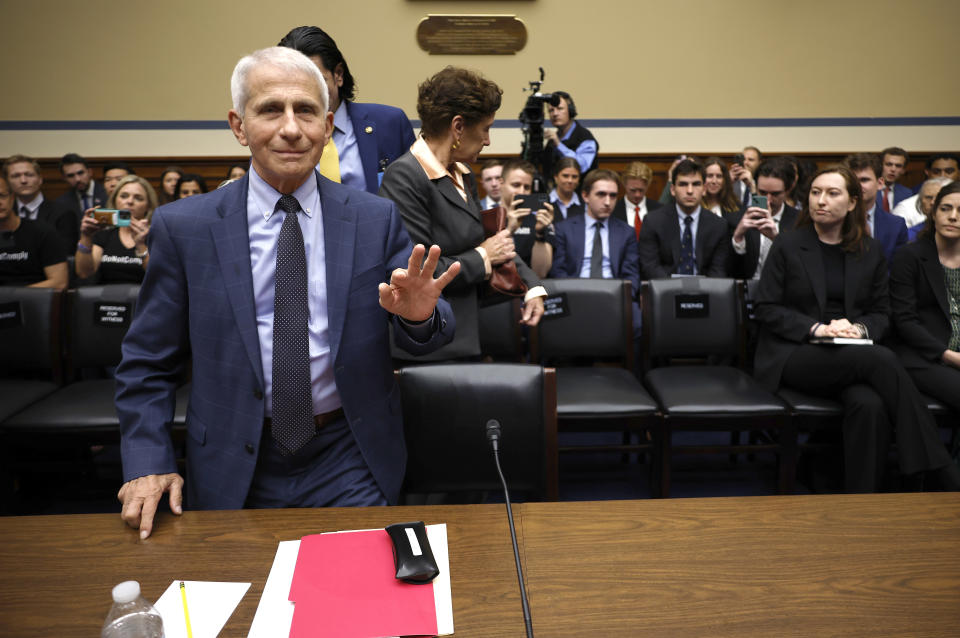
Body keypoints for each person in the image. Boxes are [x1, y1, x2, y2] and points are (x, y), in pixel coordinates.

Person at [114, 46, 458, 539]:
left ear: (328, 124)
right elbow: (147, 360)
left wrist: (418, 316)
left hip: (349, 453)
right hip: (234, 456)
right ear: (238, 125)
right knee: (245, 605)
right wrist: (147, 459)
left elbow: (431, 322)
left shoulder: (372, 218)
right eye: (271, 109)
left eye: (307, 111)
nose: (292, 128)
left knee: (356, 603)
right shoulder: (184, 227)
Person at [753, 165, 959, 493]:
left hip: (851, 352)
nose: (820, 200)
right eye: (815, 192)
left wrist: (860, 328)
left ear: (852, 203)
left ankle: (863, 496)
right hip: (795, 353)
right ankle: (939, 469)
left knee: (870, 404)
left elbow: (882, 312)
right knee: (880, 359)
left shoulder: (869, 250)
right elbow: (766, 308)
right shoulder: (789, 245)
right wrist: (817, 328)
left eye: (832, 193)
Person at [380, 66, 545, 361]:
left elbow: (491, 241)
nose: (488, 140)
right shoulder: (404, 176)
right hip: (429, 343)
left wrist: (532, 286)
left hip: (467, 335)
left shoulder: (463, 173)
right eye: (485, 129)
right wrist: (482, 257)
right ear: (458, 127)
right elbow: (413, 272)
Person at [279, 25, 415, 194]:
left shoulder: (390, 124)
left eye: (316, 82)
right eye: (292, 84)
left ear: (339, 75)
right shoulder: (278, 135)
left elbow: (416, 196)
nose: (304, 93)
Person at [891, 181, 960, 425]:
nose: (953, 217)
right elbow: (904, 321)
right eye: (946, 209)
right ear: (933, 212)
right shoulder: (910, 256)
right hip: (925, 356)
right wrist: (950, 356)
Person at [550, 169, 641, 336]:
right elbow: (558, 272)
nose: (608, 202)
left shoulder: (626, 232)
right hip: (574, 296)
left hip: (614, 297)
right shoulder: (564, 229)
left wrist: (615, 297)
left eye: (613, 196)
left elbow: (632, 275)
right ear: (585, 196)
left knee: (637, 323)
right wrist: (578, 296)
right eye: (601, 194)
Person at [638, 158, 730, 279]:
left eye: (696, 184)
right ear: (672, 189)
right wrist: (672, 290)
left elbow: (718, 269)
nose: (690, 191)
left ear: (704, 189)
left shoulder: (719, 225)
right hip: (664, 291)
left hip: (706, 292)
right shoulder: (653, 221)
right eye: (683, 184)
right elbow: (650, 266)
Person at [726, 158, 800, 280]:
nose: (768, 200)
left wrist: (776, 239)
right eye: (762, 192)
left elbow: (800, 269)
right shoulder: (736, 219)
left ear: (788, 190)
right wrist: (737, 239)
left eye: (775, 194)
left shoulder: (799, 221)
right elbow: (730, 271)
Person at [75, 175, 158, 283]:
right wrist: (86, 236)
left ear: (148, 206)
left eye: (138, 198)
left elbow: (158, 276)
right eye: (124, 196)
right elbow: (84, 273)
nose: (130, 201)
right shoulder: (103, 235)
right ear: (115, 201)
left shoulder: (157, 236)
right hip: (106, 297)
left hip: (144, 298)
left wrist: (141, 245)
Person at [0, 172, 67, 289]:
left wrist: (14, 296)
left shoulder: (42, 232)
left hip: (34, 301)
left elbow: (59, 282)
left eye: (2, 195)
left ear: (12, 197)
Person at [845, 153, 907, 269]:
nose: (858, 186)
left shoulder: (896, 225)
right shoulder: (833, 221)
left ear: (880, 183)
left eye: (864, 180)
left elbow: (898, 269)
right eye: (853, 180)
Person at [4, 154, 76, 251]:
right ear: (7, 182)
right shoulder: (4, 214)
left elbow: (65, 253)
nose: (23, 180)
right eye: (16, 176)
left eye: (29, 175)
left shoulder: (63, 213)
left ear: (40, 179)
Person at [500, 159, 555, 277]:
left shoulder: (538, 220)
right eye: (516, 185)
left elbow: (541, 272)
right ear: (501, 183)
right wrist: (509, 229)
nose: (521, 191)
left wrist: (539, 233)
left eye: (527, 187)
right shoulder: (488, 217)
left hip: (529, 287)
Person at [543, 91, 598, 180]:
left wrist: (559, 145)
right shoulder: (552, 140)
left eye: (560, 108)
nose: (555, 114)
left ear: (571, 111)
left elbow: (581, 166)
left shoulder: (585, 137)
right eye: (551, 110)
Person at [612, 161, 663, 240]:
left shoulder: (660, 210)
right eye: (632, 190)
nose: (637, 195)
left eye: (641, 190)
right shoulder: (613, 211)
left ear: (648, 185)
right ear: (624, 184)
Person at [55, 153, 107, 226]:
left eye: (80, 173)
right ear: (64, 178)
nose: (77, 179)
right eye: (71, 176)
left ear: (90, 172)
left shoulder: (107, 193)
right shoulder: (61, 203)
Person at [878, 147, 912, 211]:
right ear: (880, 166)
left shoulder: (907, 194)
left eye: (898, 166)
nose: (893, 169)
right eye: (888, 164)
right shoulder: (869, 189)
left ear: (903, 170)